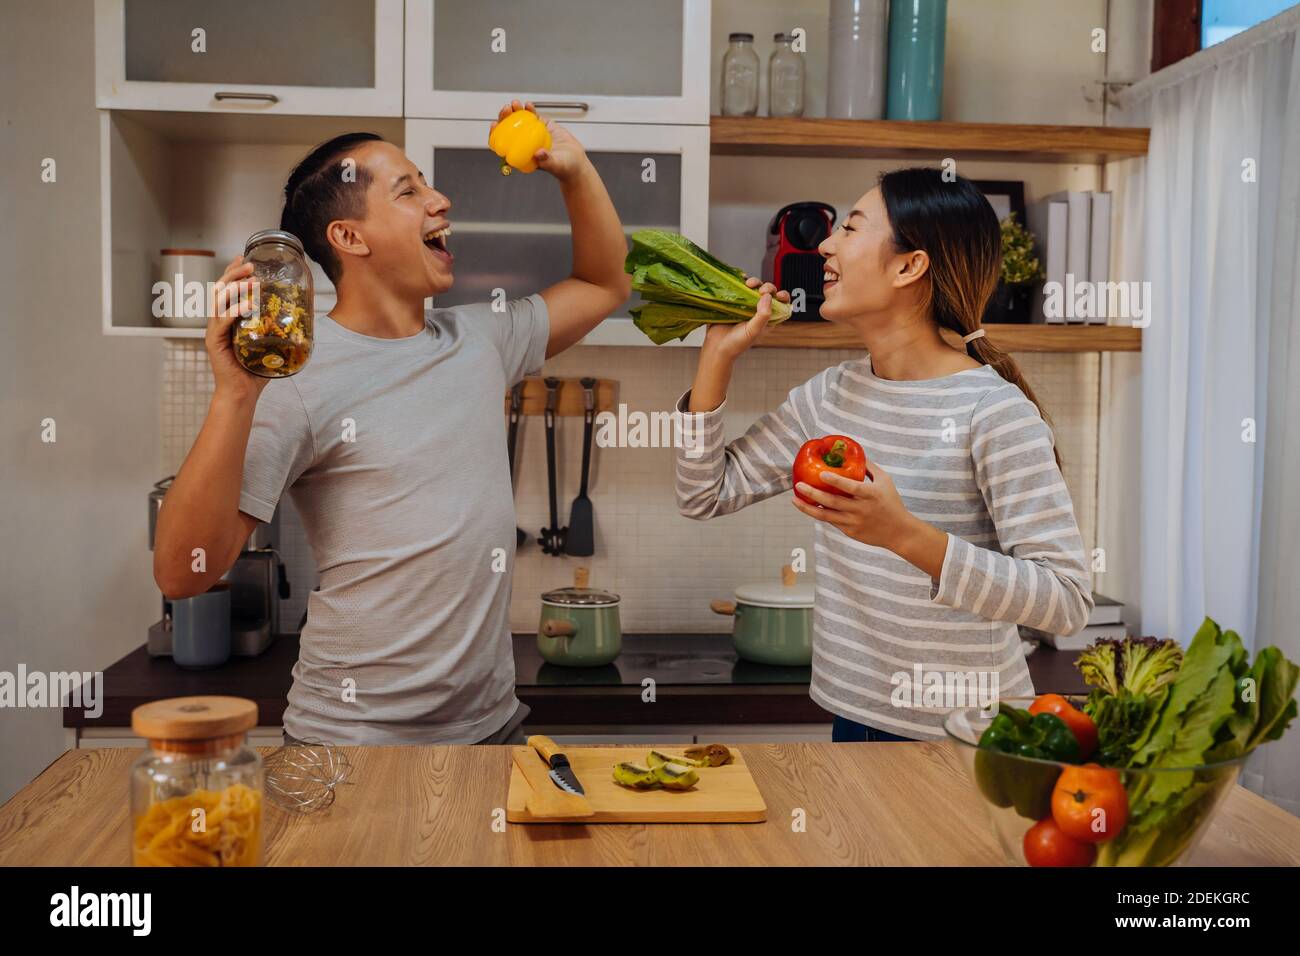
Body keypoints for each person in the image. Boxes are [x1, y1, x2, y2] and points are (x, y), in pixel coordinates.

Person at [153, 101, 631, 745]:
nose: (441, 201)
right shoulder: (291, 377)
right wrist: (234, 396)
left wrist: (574, 171)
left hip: (488, 730)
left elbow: (605, 283)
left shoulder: (481, 339)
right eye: (410, 190)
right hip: (350, 741)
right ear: (350, 237)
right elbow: (186, 573)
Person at [675, 167, 1093, 742]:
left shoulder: (992, 411)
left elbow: (1066, 601)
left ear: (908, 265)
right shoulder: (829, 395)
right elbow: (704, 493)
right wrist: (716, 359)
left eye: (850, 228)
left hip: (968, 738)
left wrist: (900, 532)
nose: (826, 244)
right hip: (854, 717)